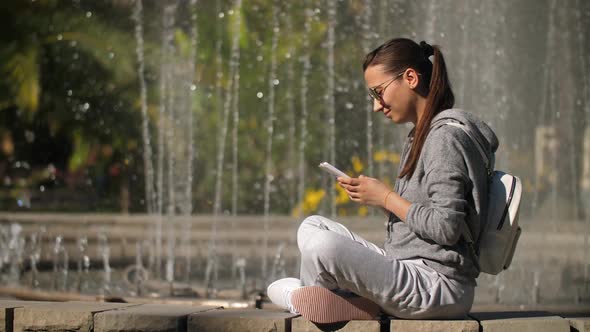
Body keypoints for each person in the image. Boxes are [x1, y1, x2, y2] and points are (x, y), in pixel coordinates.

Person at [267, 38, 498, 323]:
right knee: (312, 227)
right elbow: (427, 220)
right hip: (412, 271)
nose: (377, 107)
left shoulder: (444, 138)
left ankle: (312, 301)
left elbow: (446, 227)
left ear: (410, 78)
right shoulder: (421, 135)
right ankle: (330, 301)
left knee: (321, 248)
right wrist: (378, 198)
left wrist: (386, 197)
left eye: (379, 93)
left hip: (437, 286)